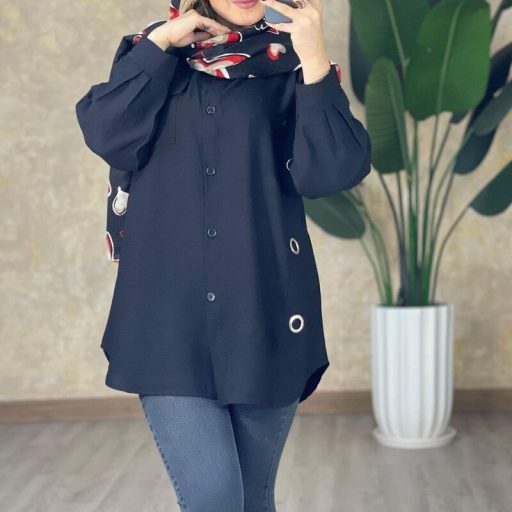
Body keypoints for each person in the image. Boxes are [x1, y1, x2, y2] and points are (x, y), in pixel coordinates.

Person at [75, 0, 372, 510]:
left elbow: (332, 172)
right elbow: (106, 133)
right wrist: (161, 46)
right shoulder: (151, 55)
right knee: (214, 497)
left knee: (253, 498)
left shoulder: (291, 65)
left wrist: (315, 60)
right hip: (168, 321)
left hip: (263, 313)